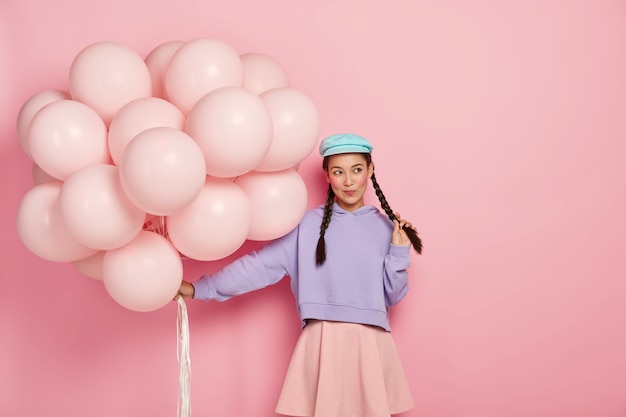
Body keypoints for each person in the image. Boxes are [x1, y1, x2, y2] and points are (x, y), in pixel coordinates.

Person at [177, 133, 423, 417]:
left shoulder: (387, 229)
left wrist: (399, 252)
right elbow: (257, 267)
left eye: (356, 170)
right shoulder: (305, 226)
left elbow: (392, 296)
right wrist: (199, 288)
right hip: (321, 343)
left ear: (370, 170)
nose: (348, 181)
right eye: (338, 172)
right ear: (327, 176)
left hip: (370, 344)